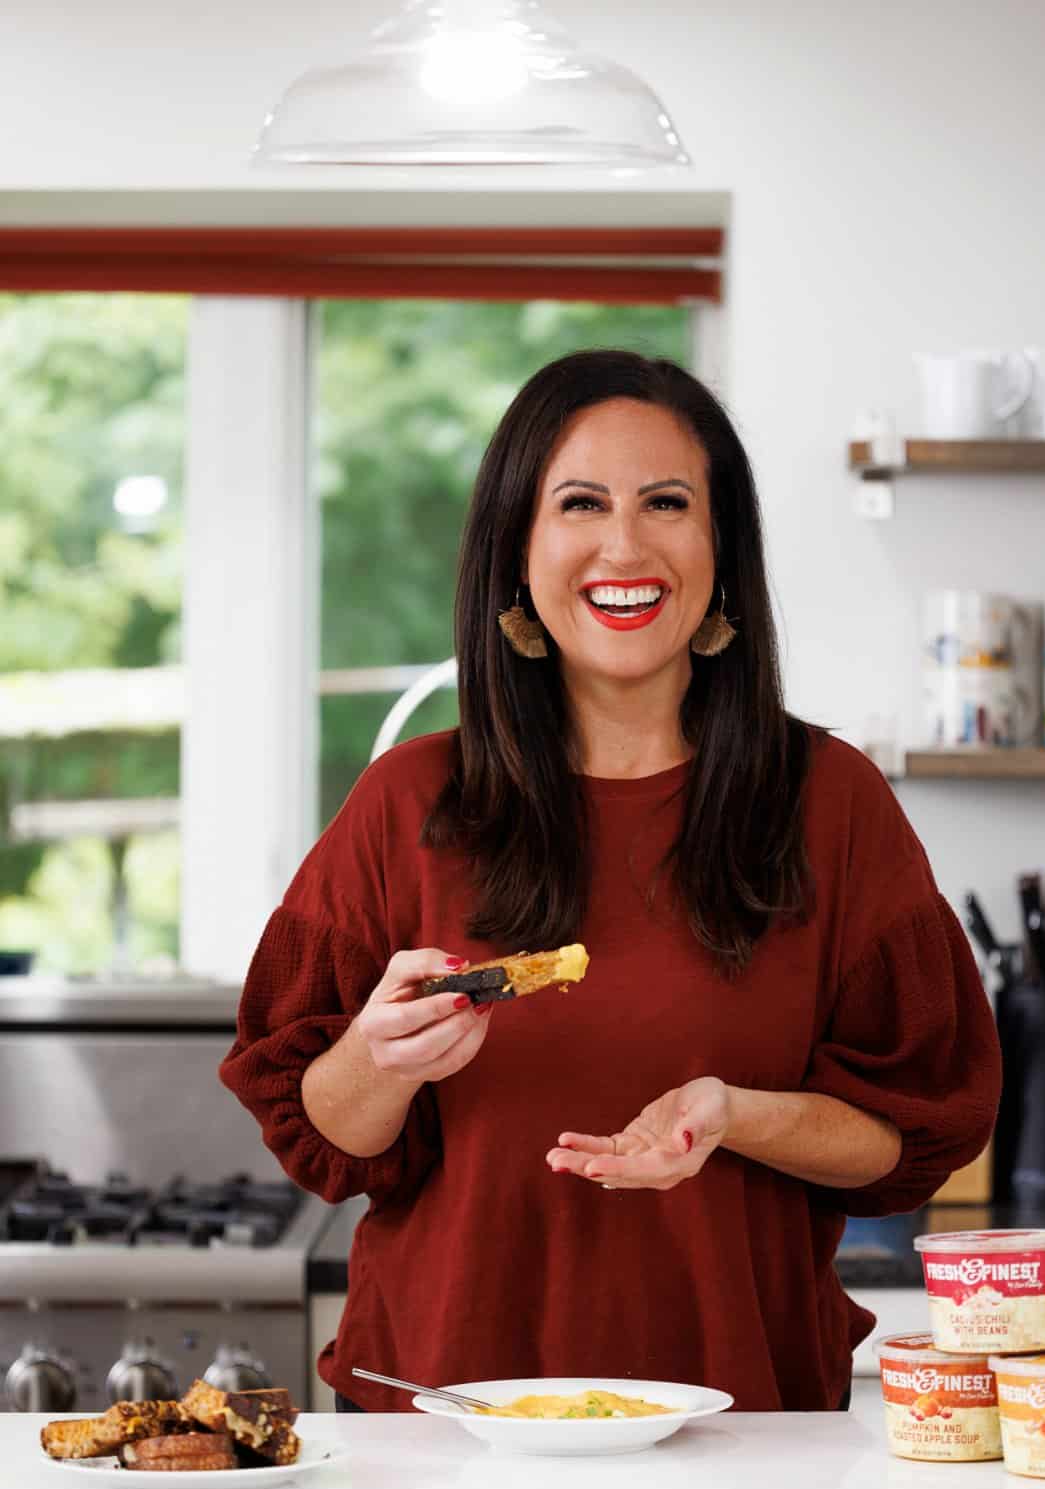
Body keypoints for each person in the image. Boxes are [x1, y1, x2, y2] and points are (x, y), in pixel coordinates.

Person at [219, 349, 1001, 1414]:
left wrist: (734, 1113)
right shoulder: (409, 802)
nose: (624, 545)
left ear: (722, 550)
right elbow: (327, 1137)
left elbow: (905, 1139)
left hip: (744, 1423)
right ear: (518, 549)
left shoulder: (833, 802)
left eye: (667, 502)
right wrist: (379, 1055)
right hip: (445, 1423)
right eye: (580, 502)